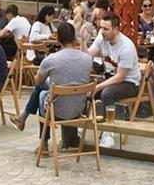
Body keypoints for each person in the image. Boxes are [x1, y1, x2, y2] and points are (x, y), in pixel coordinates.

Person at [10, 22, 92, 154]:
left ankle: (43, 143)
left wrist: (41, 73)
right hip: (79, 108)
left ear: (58, 40)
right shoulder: (87, 59)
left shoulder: (51, 60)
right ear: (74, 39)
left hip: (57, 110)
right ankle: (22, 117)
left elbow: (38, 81)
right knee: (49, 88)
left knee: (42, 93)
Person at [88, 14, 141, 148]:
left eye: (106, 29)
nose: (102, 32)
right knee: (83, 85)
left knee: (107, 93)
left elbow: (120, 77)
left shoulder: (126, 47)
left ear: (116, 29)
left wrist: (98, 87)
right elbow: (87, 56)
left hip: (129, 83)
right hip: (109, 78)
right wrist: (83, 41)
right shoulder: (102, 38)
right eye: (101, 28)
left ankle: (108, 133)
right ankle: (77, 127)